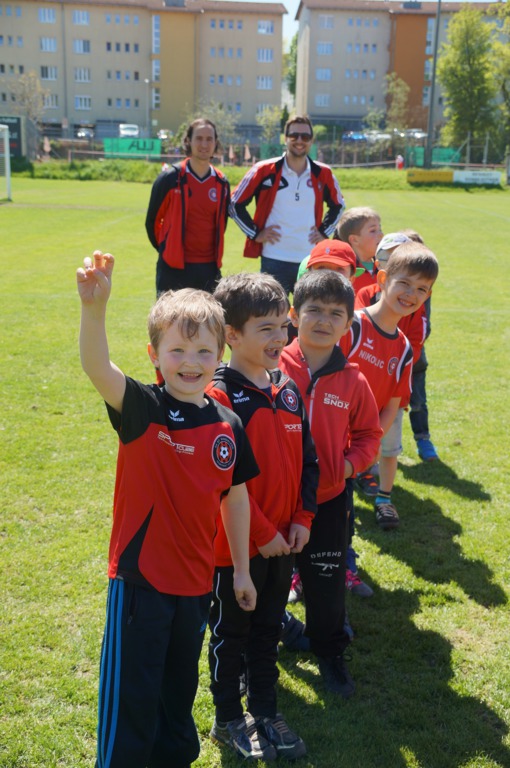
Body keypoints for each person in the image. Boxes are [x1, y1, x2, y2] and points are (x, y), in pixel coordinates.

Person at [76, 250, 258, 768]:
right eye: (177, 350)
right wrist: (94, 310)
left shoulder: (227, 424)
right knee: (131, 701)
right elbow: (97, 367)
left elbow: (236, 496)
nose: (190, 362)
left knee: (177, 697)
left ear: (220, 354)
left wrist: (240, 570)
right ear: (154, 355)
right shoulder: (144, 408)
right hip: (141, 585)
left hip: (196, 586)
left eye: (203, 350)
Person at [206, 272, 318, 761]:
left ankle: (267, 711)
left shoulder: (288, 389)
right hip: (235, 549)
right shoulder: (219, 397)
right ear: (232, 335)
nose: (279, 337)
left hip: (284, 543)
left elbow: (309, 461)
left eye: (282, 325)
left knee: (269, 631)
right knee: (232, 635)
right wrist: (264, 532)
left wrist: (303, 519)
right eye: (265, 328)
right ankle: (228, 717)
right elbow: (225, 484)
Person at [280, 270, 382, 696]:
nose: (323, 321)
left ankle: (329, 652)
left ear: (348, 324)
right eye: (314, 310)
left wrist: (347, 467)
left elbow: (369, 435)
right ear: (293, 315)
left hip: (328, 499)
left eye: (335, 314)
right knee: (266, 582)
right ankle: (257, 652)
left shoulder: (354, 380)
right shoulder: (270, 367)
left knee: (326, 582)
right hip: (273, 501)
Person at [340, 241, 439, 529]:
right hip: (329, 438)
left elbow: (393, 404)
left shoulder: (405, 349)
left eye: (421, 289)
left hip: (361, 443)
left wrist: (371, 443)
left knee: (340, 515)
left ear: (428, 295)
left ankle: (346, 548)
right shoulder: (352, 326)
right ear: (382, 279)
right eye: (404, 283)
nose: (411, 294)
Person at [229, 115, 345, 294]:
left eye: (305, 136)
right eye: (294, 135)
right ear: (285, 138)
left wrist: (324, 232)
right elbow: (234, 203)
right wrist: (255, 234)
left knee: (308, 309)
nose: (299, 140)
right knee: (273, 310)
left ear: (311, 140)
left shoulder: (323, 172)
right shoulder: (264, 169)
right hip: (274, 257)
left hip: (310, 259)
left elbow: (339, 205)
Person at [145, 118, 230, 295]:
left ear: (216, 143)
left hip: (209, 270)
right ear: (188, 141)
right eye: (199, 138)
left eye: (209, 139)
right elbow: (152, 221)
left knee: (211, 314)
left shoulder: (221, 183)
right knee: (169, 314)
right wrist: (167, 248)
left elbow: (223, 224)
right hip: (173, 269)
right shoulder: (170, 178)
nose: (204, 144)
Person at [400, 229, 439, 461]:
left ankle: (423, 439)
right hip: (384, 358)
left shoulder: (424, 291)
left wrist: (411, 349)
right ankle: (385, 448)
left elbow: (426, 325)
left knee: (418, 402)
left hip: (415, 359)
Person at [334, 206, 383, 295]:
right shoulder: (345, 272)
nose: (381, 234)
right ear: (354, 240)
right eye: (373, 231)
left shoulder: (385, 266)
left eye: (380, 229)